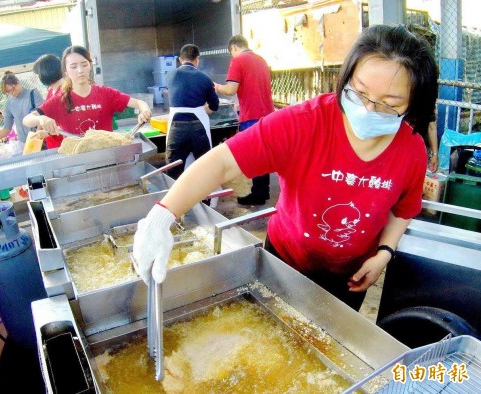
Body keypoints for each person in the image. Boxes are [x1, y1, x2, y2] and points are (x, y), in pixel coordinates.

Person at [133, 25, 438, 312]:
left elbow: (404, 208)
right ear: (346, 77)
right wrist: (162, 216)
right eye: (359, 92)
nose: (369, 109)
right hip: (284, 263)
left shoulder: (410, 150)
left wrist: (385, 253)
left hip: (351, 275)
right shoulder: (305, 123)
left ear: (413, 103)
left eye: (389, 103)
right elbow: (223, 160)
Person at [22, 46, 151, 143]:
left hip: (109, 155)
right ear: (65, 71)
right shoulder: (60, 100)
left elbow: (139, 103)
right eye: (73, 67)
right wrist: (41, 118)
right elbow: (26, 120)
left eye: (84, 65)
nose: (80, 71)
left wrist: (144, 110)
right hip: (77, 163)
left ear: (90, 66)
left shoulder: (105, 93)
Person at [214, 34, 275, 206]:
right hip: (268, 115)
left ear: (234, 48)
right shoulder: (261, 60)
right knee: (264, 155)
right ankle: (263, 192)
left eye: (231, 53)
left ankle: (257, 195)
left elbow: (231, 89)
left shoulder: (238, 60)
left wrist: (217, 87)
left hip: (251, 116)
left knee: (253, 156)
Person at [165, 44, 219, 180]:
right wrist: (202, 110)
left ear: (179, 59)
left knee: (173, 169)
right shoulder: (205, 78)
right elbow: (215, 106)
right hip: (198, 129)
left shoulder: (170, 75)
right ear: (197, 59)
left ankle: (176, 200)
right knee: (204, 167)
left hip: (176, 128)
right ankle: (205, 200)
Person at [0, 71, 44, 143]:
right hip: (23, 142)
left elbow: (43, 115)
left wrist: (37, 138)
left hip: (40, 140)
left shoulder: (33, 94)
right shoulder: (8, 104)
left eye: (12, 89)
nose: (11, 93)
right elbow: (7, 128)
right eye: (8, 92)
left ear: (18, 82)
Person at [31, 54, 65, 149]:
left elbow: (67, 124)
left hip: (64, 145)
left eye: (39, 75)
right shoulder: (51, 90)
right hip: (55, 146)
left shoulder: (64, 92)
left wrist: (45, 133)